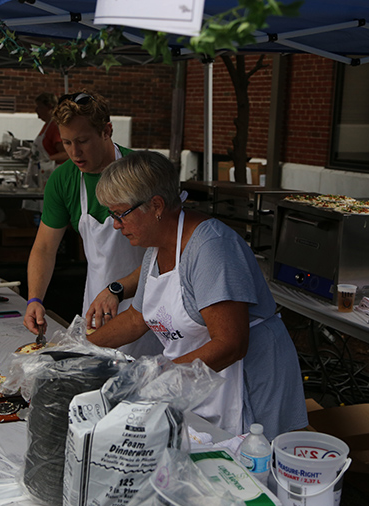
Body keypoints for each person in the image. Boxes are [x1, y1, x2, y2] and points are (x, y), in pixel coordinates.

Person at [87, 151, 308, 438]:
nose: (116, 225)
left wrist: (156, 377)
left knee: (247, 469)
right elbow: (136, 318)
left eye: (121, 214)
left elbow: (231, 344)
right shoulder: (157, 249)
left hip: (245, 383)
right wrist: (76, 350)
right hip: (199, 381)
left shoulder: (212, 249)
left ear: (156, 206)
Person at [23, 90, 160, 357]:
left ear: (107, 130)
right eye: (66, 143)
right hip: (96, 307)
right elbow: (44, 248)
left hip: (150, 306)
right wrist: (35, 298)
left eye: (83, 141)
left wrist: (119, 289)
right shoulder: (63, 180)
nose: (75, 152)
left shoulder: (143, 172)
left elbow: (170, 248)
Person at [33, 92, 68, 165]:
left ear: (49, 107)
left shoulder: (54, 127)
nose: (36, 110)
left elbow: (66, 154)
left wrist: (47, 159)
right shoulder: (47, 125)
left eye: (39, 107)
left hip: (54, 169)